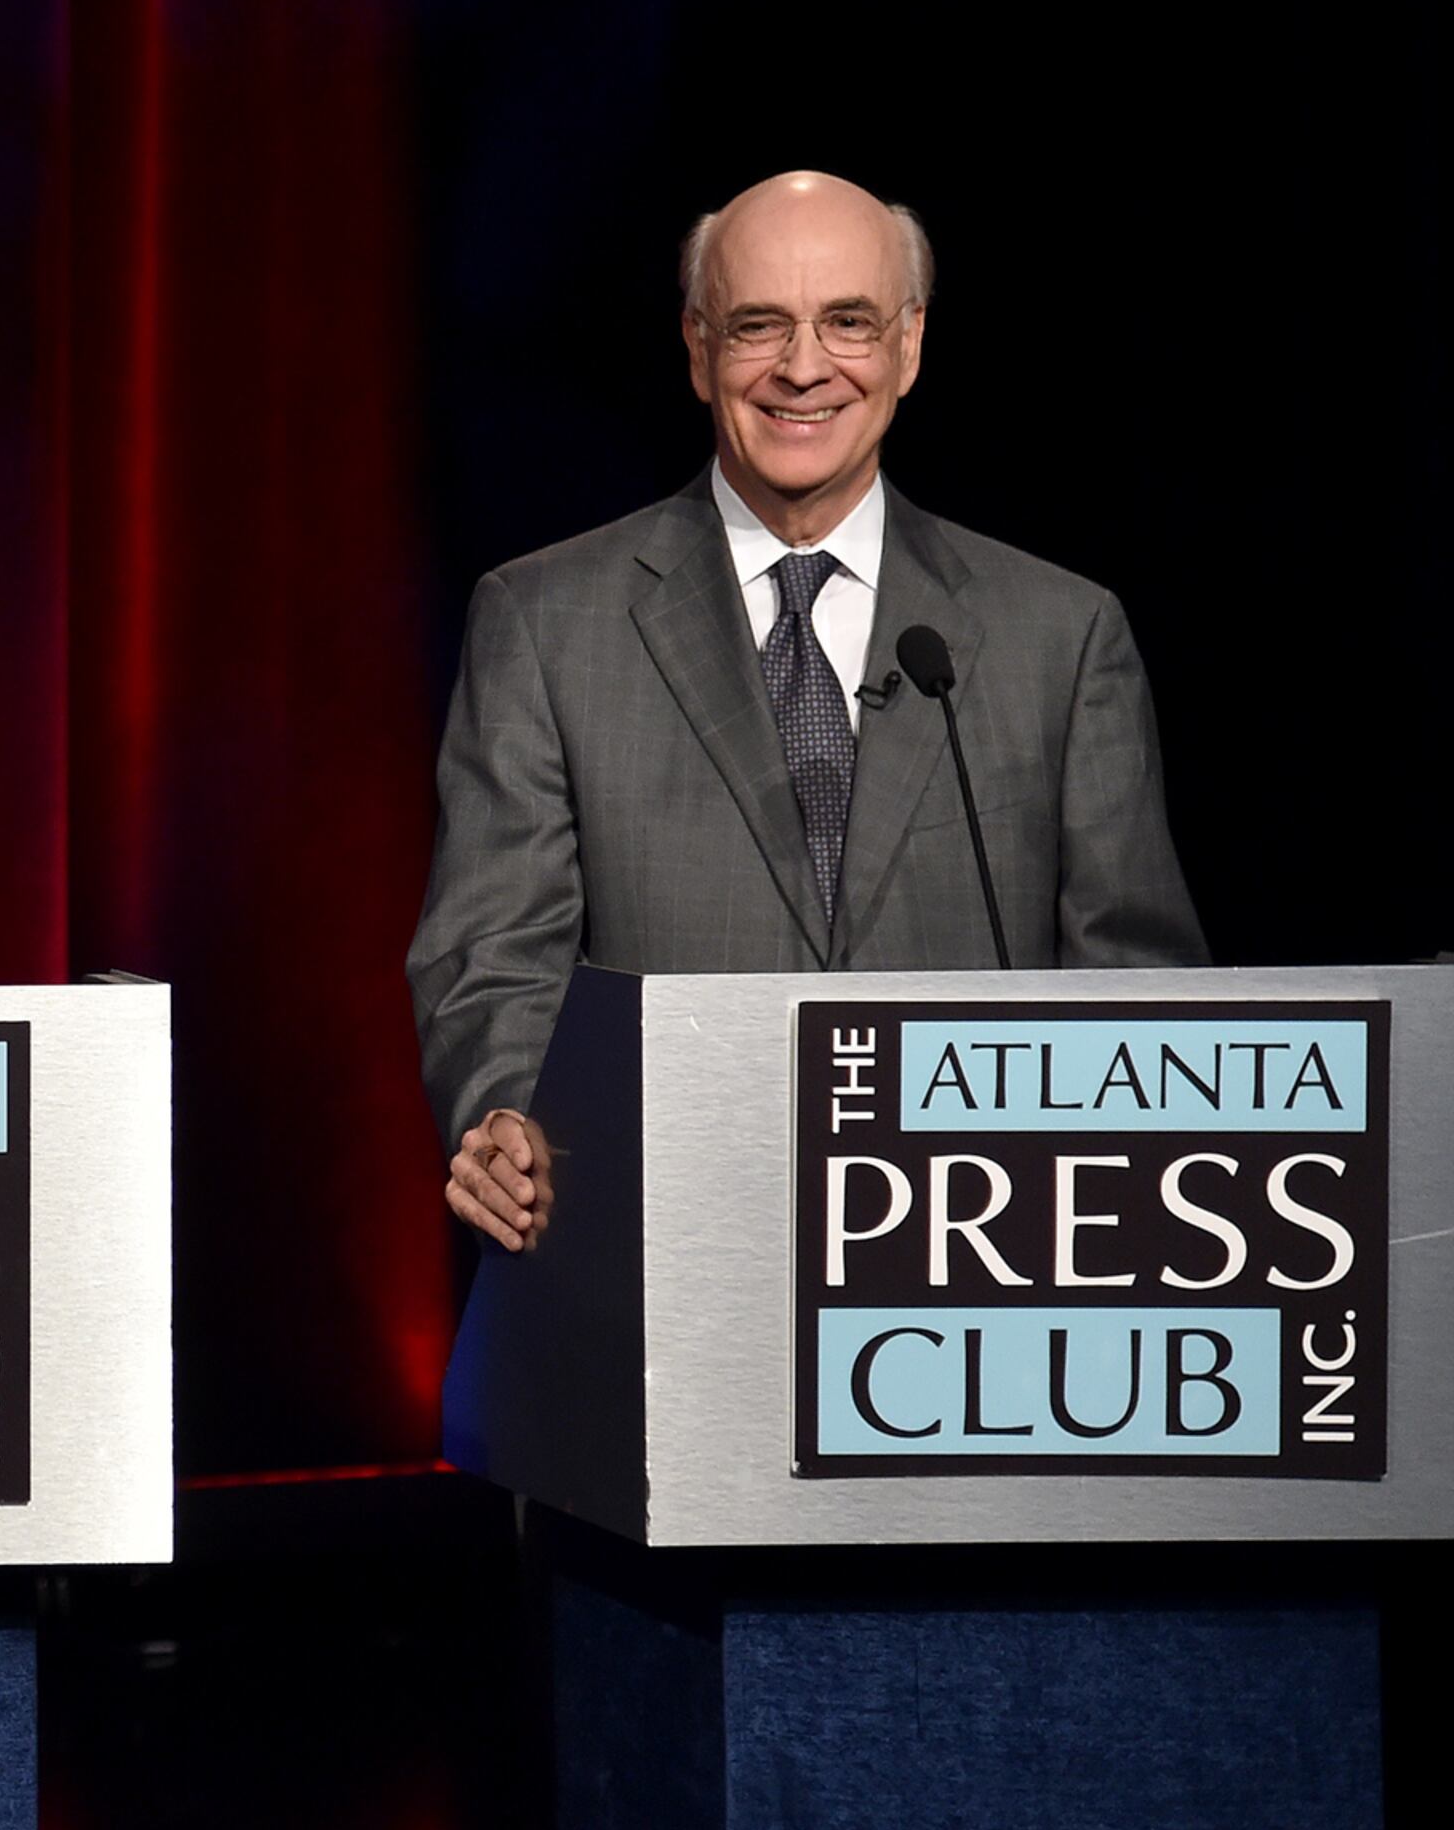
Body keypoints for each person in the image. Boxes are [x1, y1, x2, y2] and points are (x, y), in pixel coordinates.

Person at [409, 171, 1205, 1253]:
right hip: (661, 1244)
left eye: (848, 323)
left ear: (909, 346)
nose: (802, 366)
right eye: (758, 326)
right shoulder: (547, 623)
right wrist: (509, 1117)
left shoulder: (1060, 639)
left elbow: (1141, 1003)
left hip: (978, 1260)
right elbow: (495, 957)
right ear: (697, 349)